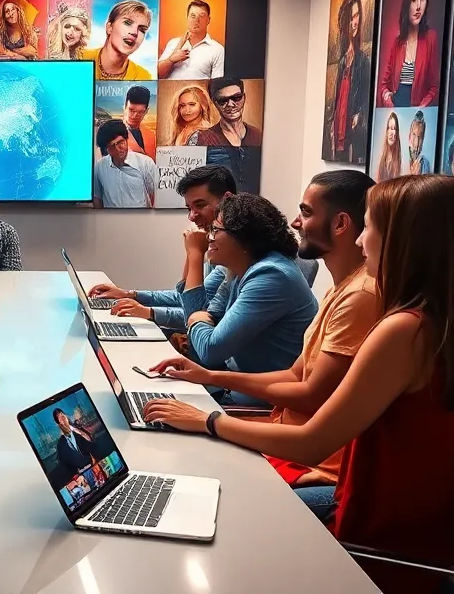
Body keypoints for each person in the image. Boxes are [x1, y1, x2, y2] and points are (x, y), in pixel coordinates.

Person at [142, 174, 454, 594]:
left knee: (207, 517)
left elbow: (312, 443)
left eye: (372, 228)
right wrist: (211, 382)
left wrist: (208, 421)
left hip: (375, 539)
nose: (362, 242)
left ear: (406, 241)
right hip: (427, 537)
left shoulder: (403, 331)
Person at [151, 171, 379, 503]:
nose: (297, 223)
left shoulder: (358, 294)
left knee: (199, 491)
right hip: (284, 427)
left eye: (307, 212)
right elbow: (293, 375)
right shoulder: (340, 287)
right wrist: (208, 375)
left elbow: (309, 399)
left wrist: (209, 421)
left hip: (311, 458)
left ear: (341, 224)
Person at [158, 193, 318, 406]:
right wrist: (199, 317)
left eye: (216, 230)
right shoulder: (238, 269)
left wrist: (196, 256)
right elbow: (207, 314)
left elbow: (209, 350)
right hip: (231, 388)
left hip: (259, 405)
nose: (209, 237)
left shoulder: (271, 275)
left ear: (244, 237)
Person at [95, 165, 236, 332]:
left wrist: (149, 312)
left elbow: (199, 315)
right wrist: (131, 294)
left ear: (227, 200)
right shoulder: (215, 246)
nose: (192, 216)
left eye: (200, 205)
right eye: (189, 208)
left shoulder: (235, 255)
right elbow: (185, 297)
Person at [377, 0, 440, 108]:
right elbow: (384, 86)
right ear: (407, 4)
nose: (418, 6)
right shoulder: (398, 43)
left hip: (418, 112)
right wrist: (387, 98)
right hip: (396, 111)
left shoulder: (431, 38)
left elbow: (434, 87)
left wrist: (420, 109)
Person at [326, 0, 373, 163]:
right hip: (340, 124)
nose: (355, 22)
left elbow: (366, 94)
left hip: (352, 125)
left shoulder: (364, 60)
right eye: (352, 17)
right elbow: (338, 98)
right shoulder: (342, 61)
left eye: (357, 15)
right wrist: (333, 122)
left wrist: (359, 114)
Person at [78, 0, 153, 80]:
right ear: (109, 27)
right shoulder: (79, 58)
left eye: (142, 29)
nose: (135, 32)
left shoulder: (142, 76)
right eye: (127, 23)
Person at [93, 119, 156, 209]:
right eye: (111, 146)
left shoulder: (145, 163)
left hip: (140, 220)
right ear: (106, 149)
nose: (118, 149)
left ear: (126, 139)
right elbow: (97, 199)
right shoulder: (99, 167)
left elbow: (158, 194)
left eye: (120, 142)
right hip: (111, 221)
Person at [157, 0, 225, 80]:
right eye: (193, 16)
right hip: (170, 91)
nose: (196, 20)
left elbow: (217, 84)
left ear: (208, 20)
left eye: (202, 16)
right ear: (187, 18)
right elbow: (157, 75)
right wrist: (170, 60)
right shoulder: (173, 43)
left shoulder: (217, 49)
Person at [189, 77, 263, 147]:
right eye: (223, 100)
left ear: (244, 98)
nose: (230, 104)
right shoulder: (201, 139)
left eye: (236, 97)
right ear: (215, 103)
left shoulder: (258, 135)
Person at [108, 85, 153, 158]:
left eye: (140, 112)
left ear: (146, 111)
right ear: (124, 107)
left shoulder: (151, 134)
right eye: (131, 110)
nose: (135, 115)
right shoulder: (111, 133)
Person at [375, 112, 402, 182]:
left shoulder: (400, 159)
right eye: (389, 128)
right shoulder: (381, 158)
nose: (391, 133)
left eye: (394, 129)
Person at [405, 111, 430, 175]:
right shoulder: (399, 159)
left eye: (420, 138)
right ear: (409, 136)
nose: (416, 143)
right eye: (414, 135)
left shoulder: (425, 164)